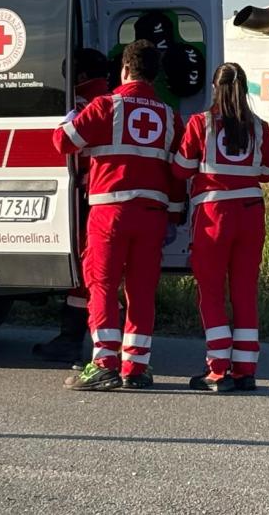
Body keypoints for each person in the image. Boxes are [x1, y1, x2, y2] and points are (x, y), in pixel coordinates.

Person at [52, 40, 185, 391]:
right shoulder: (170, 115)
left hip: (110, 211)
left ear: (124, 69)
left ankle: (104, 363)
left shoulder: (105, 105)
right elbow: (176, 172)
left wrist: (69, 116)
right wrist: (174, 216)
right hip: (153, 215)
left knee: (102, 285)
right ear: (154, 75)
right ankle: (136, 368)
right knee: (141, 291)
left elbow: (63, 141)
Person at [172, 62, 269, 393]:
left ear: (214, 89)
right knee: (245, 291)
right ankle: (245, 370)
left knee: (211, 292)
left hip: (214, 214)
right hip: (251, 213)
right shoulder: (259, 126)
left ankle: (217, 370)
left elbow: (181, 169)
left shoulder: (200, 123)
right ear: (245, 90)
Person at [34, 48, 110, 363]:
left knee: (87, 273)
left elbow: (64, 144)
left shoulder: (82, 105)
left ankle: (76, 341)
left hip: (89, 198)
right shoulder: (115, 103)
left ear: (80, 77)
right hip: (119, 200)